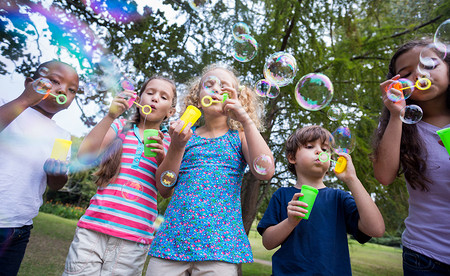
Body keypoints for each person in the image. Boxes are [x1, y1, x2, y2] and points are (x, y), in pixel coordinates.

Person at [147, 63, 275, 275]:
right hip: (173, 238)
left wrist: (244, 118)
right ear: (197, 98)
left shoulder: (240, 136)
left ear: (237, 99)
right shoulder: (183, 136)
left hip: (220, 245)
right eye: (210, 84)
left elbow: (265, 170)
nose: (217, 89)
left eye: (224, 86)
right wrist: (177, 146)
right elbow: (163, 187)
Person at [62, 76, 177, 275]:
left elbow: (166, 190)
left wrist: (162, 158)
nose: (155, 98)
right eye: (149, 93)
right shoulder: (119, 127)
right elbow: (84, 156)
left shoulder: (170, 143)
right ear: (139, 99)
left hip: (134, 238)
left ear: (171, 112)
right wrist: (110, 116)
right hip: (94, 228)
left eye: (163, 96)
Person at [258, 125, 385, 275]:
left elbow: (376, 229)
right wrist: (290, 222)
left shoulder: (339, 198)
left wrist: (352, 179)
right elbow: (268, 242)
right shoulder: (281, 195)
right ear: (292, 158)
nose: (319, 151)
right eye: (310, 146)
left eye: (325, 149)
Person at [372, 40, 450, 275]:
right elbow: (384, 176)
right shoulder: (404, 128)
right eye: (405, 74)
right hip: (426, 256)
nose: (418, 74)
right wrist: (396, 114)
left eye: (429, 64)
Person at [0, 60, 79, 275]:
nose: (62, 89)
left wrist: (58, 174)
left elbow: (56, 184)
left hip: (18, 228)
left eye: (71, 90)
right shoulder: (7, 105)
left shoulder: (62, 136)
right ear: (29, 83)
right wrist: (24, 100)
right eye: (55, 81)